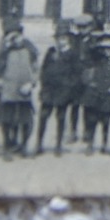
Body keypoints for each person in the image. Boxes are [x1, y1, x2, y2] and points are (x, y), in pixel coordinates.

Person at [0, 27, 40, 160]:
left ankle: (24, 146)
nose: (16, 40)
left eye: (18, 36)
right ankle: (7, 147)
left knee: (26, 120)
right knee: (7, 120)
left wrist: (31, 83)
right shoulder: (2, 52)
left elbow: (36, 69)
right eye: (12, 37)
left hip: (23, 91)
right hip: (7, 92)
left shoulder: (30, 50)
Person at [34, 28, 82, 156]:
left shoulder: (73, 54)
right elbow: (44, 69)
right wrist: (44, 84)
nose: (60, 42)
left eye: (63, 39)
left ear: (67, 40)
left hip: (63, 91)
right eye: (58, 39)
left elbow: (77, 74)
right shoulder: (51, 52)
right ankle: (39, 144)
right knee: (43, 116)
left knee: (60, 118)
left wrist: (69, 86)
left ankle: (58, 146)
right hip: (49, 90)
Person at [80, 34, 110, 155]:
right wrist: (96, 43)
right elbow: (87, 56)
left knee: (106, 121)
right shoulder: (96, 59)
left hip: (108, 95)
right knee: (92, 120)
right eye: (104, 48)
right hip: (95, 94)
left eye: (109, 48)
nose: (107, 51)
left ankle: (104, 145)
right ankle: (90, 145)